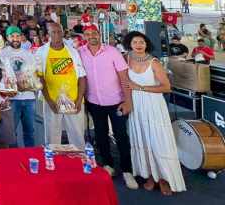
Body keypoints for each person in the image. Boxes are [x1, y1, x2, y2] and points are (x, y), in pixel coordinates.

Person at [124, 31, 186, 196]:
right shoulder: (126, 58)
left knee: (159, 141)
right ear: (130, 44)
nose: (138, 45)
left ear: (146, 45)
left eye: (141, 42)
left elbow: (166, 87)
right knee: (143, 140)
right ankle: (151, 176)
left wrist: (140, 88)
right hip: (136, 107)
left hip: (154, 106)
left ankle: (165, 178)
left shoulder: (154, 62)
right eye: (135, 42)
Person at [79, 25, 138, 190]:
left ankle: (127, 170)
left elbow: (124, 78)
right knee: (100, 134)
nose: (91, 36)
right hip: (94, 102)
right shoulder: (80, 52)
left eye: (94, 33)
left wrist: (128, 101)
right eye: (87, 33)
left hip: (115, 102)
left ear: (99, 34)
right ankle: (108, 165)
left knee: (121, 135)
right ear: (84, 36)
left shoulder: (112, 51)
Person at [35, 22, 87, 149]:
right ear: (48, 35)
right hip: (52, 100)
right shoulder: (41, 52)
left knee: (78, 135)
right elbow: (40, 79)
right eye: (53, 32)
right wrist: (49, 101)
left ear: (63, 33)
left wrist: (79, 100)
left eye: (59, 32)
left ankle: (80, 161)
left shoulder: (73, 52)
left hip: (73, 100)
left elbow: (82, 77)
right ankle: (53, 162)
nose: (57, 35)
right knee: (52, 137)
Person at [0, 27, 37, 147]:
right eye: (12, 36)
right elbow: (0, 75)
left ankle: (30, 155)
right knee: (11, 132)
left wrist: (28, 84)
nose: (15, 39)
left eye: (17, 36)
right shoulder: (2, 53)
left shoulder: (28, 53)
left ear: (21, 37)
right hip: (12, 99)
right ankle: (14, 157)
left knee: (30, 131)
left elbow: (34, 74)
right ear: (7, 37)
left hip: (29, 98)